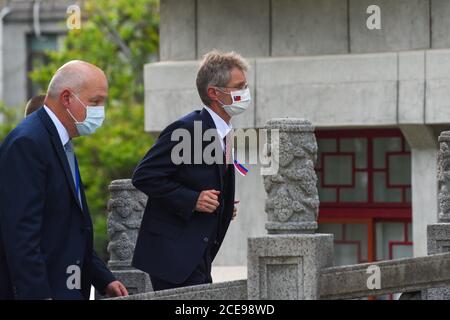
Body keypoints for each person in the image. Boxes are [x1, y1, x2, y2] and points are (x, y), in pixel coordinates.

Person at [0, 60, 128, 300]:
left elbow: (71, 227)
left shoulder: (61, 143)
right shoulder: (28, 144)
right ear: (67, 98)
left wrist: (103, 278)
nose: (101, 111)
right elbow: (21, 237)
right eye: (95, 102)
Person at [131, 50, 251, 291]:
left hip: (199, 253)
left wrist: (224, 205)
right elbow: (144, 176)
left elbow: (205, 179)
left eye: (246, 85)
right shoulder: (187, 129)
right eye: (239, 86)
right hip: (173, 256)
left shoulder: (225, 133)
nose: (246, 92)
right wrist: (192, 199)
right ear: (214, 93)